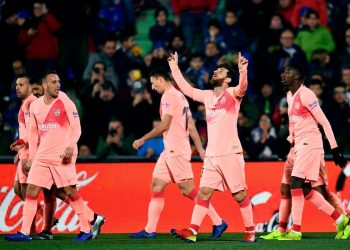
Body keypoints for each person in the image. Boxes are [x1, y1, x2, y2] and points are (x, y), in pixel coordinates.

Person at [168, 52, 256, 243]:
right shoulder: (207, 96)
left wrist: (243, 70)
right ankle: (192, 231)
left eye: (221, 70)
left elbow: (243, 88)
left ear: (228, 79)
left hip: (230, 153)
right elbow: (187, 89)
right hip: (212, 155)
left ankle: (250, 231)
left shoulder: (232, 93)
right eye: (216, 69)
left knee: (239, 195)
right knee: (203, 192)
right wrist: (174, 67)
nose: (216, 71)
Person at [128, 68, 227, 239]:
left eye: (153, 83)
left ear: (160, 79)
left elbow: (165, 125)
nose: (152, 87)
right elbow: (191, 125)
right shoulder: (180, 96)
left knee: (188, 190)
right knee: (156, 186)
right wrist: (200, 148)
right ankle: (150, 230)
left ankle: (218, 222)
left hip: (176, 150)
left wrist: (143, 139)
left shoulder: (168, 96)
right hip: (170, 150)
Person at [4, 71, 101, 242]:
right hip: (42, 156)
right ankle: (25, 232)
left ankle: (86, 229)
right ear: (45, 85)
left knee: (70, 191)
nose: (58, 85)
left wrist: (71, 145)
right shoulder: (35, 106)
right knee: (32, 191)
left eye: (59, 82)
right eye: (54, 82)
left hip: (62, 155)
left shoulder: (64, 100)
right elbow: (33, 134)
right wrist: (32, 157)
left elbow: (77, 126)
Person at [274, 65, 349, 240]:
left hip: (310, 144)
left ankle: (296, 231)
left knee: (298, 184)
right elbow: (294, 125)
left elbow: (324, 122)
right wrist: (288, 141)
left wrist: (335, 148)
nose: (283, 75)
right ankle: (340, 219)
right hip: (298, 144)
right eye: (283, 72)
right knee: (304, 188)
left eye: (288, 72)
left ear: (298, 77)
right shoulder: (289, 96)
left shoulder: (307, 94)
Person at [260, 146, 347, 240]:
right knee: (286, 189)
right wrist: (288, 141)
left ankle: (345, 223)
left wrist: (335, 149)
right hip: (295, 149)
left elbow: (327, 130)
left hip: (311, 149)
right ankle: (281, 230)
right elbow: (293, 131)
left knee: (321, 191)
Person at [9, 74, 41, 236]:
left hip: (33, 152)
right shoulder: (24, 106)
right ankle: (43, 216)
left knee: (27, 192)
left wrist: (29, 154)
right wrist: (21, 150)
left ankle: (31, 230)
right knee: (18, 190)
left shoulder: (34, 104)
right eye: (16, 84)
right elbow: (26, 131)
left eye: (21, 85)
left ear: (30, 87)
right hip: (25, 151)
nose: (17, 87)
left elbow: (36, 133)